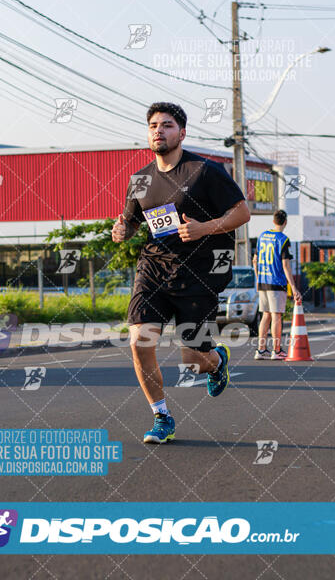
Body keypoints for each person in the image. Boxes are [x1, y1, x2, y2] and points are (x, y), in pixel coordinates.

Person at [111, 102, 250, 444]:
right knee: (140, 340)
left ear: (182, 133)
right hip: (154, 268)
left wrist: (206, 228)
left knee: (194, 361)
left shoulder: (204, 171)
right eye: (154, 125)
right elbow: (129, 223)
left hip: (198, 274)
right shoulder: (140, 180)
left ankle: (216, 361)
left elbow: (242, 212)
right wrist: (121, 231)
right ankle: (161, 416)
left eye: (167, 125)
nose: (159, 130)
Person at [253, 209, 302, 360]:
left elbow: (255, 260)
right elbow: (286, 266)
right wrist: (293, 287)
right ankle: (277, 350)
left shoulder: (262, 236)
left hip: (262, 281)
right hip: (276, 282)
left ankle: (261, 350)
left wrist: (258, 278)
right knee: (276, 316)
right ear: (285, 222)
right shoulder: (283, 240)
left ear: (273, 221)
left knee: (265, 316)